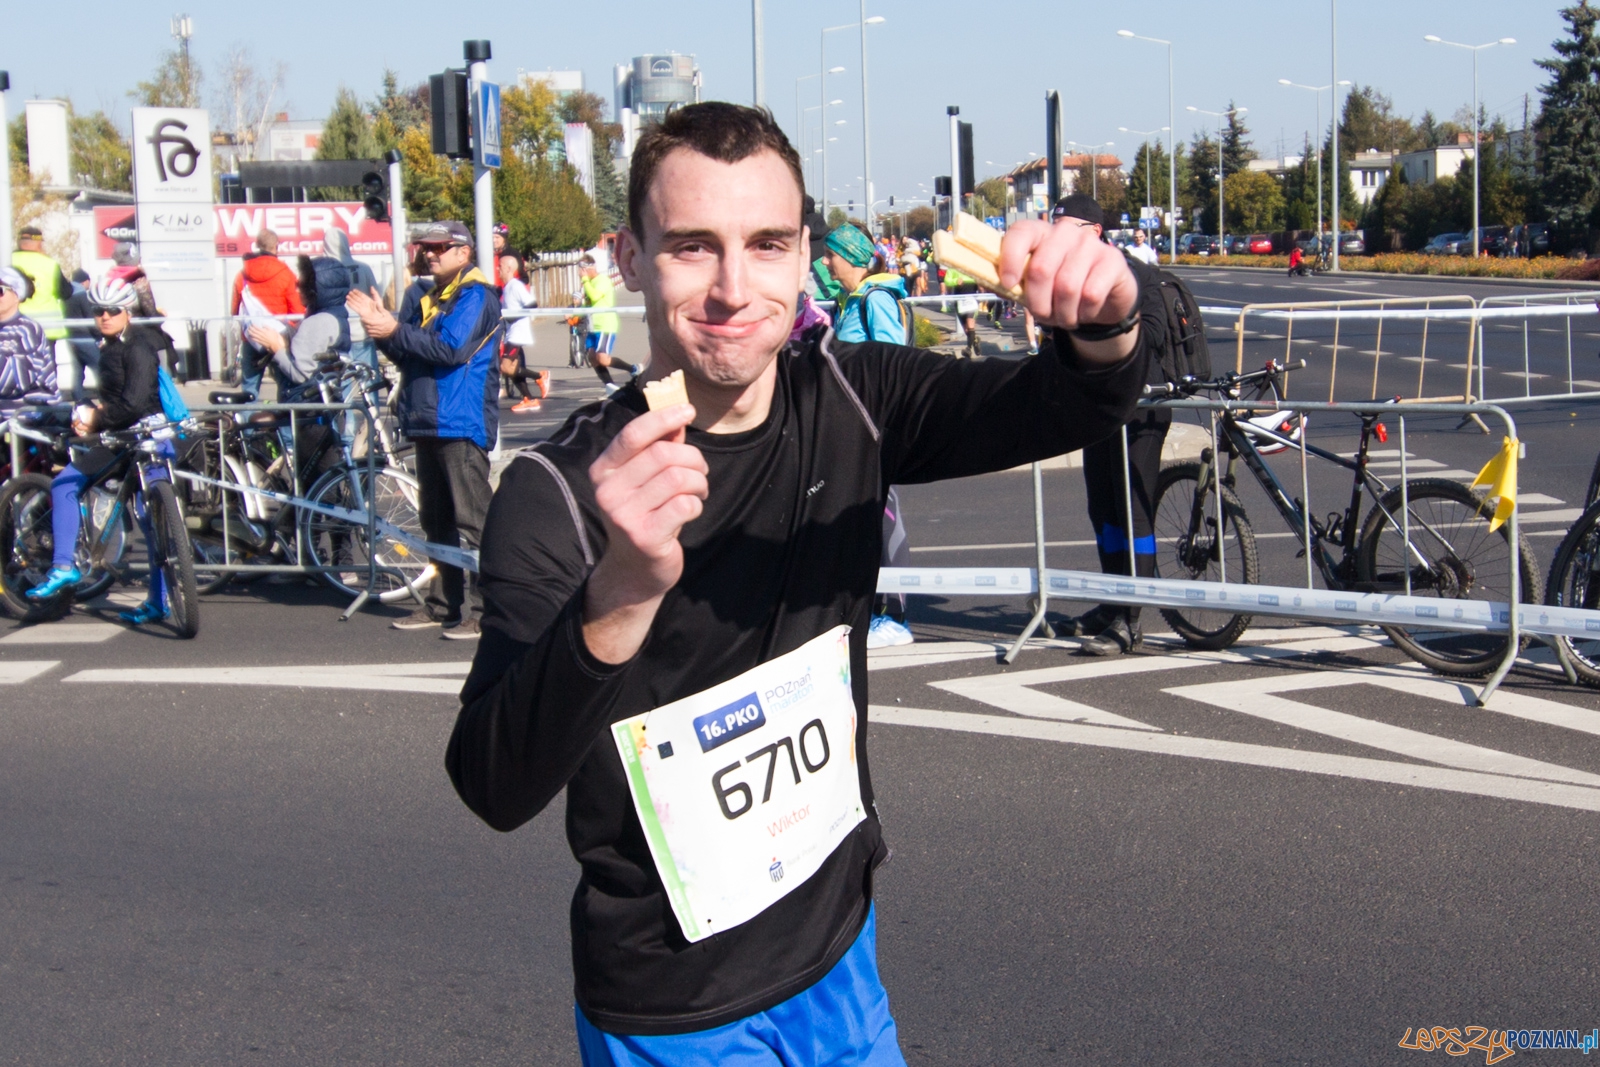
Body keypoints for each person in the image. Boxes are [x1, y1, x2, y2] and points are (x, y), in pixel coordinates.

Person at [445, 101, 1150, 1065]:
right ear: (626, 257)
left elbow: (1067, 401)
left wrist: (1108, 317)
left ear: (803, 253)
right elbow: (492, 782)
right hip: (675, 1005)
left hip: (839, 956)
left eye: (766, 243)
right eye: (693, 247)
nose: (734, 287)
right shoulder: (559, 492)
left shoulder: (855, 397)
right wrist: (619, 593)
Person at [346, 220, 501, 640]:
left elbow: (450, 350)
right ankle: (442, 605)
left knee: (474, 522)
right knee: (436, 522)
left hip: (458, 422)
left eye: (439, 247)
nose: (429, 253)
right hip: (429, 419)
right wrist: (380, 329)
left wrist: (395, 330)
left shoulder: (475, 296)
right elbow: (406, 351)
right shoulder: (432, 297)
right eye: (425, 247)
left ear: (463, 252)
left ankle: (489, 611)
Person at [1048, 193, 1172, 656]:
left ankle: (1131, 620)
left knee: (1132, 513)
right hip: (1097, 412)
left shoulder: (1134, 273)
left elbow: (1154, 335)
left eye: (1067, 228)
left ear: (1094, 233)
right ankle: (1111, 601)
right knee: (1102, 511)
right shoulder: (1070, 281)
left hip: (1142, 410)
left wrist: (1111, 317)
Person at [26, 277, 172, 625]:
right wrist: (88, 408)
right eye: (98, 311)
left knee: (64, 485)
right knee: (155, 524)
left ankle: (63, 566)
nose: (104, 317)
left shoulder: (134, 347)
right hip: (150, 438)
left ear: (128, 312)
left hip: (133, 440)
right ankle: (158, 600)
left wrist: (95, 419)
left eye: (112, 311)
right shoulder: (122, 343)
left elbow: (132, 404)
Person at [823, 223, 919, 649]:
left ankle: (896, 616)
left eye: (831, 256)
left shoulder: (876, 297)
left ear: (852, 257)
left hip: (875, 427)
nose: (825, 264)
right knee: (859, 519)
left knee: (884, 516)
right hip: (852, 427)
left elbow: (894, 362)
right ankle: (867, 608)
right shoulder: (850, 299)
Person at [231, 230, 307, 399]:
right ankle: (285, 425)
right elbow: (297, 311)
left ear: (257, 245)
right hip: (277, 337)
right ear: (276, 246)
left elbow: (235, 311)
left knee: (249, 390)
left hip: (252, 337)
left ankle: (247, 424)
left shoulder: (241, 275)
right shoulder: (285, 274)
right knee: (285, 386)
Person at [577, 253, 641, 394]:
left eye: (582, 269)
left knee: (603, 359)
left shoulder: (602, 281)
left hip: (605, 325)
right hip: (592, 325)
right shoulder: (588, 283)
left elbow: (594, 296)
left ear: (589, 268)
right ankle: (610, 386)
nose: (580, 273)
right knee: (593, 359)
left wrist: (585, 281)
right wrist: (576, 314)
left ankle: (633, 369)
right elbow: (589, 304)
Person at [0, 266, 59, 418]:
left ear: (16, 296)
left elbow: (18, 379)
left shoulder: (26, 329)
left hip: (28, 413)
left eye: (0, 290)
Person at [499, 253, 548, 413]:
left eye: (500, 267)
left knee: (506, 367)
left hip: (518, 333)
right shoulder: (506, 288)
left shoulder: (516, 286)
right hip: (510, 333)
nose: (498, 269)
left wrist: (513, 317)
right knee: (513, 368)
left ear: (509, 268)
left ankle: (539, 376)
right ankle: (529, 399)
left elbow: (532, 304)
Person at [12, 225, 70, 345]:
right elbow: (66, 293)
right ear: (38, 243)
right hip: (47, 329)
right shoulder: (50, 264)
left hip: (15, 326)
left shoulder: (6, 261)